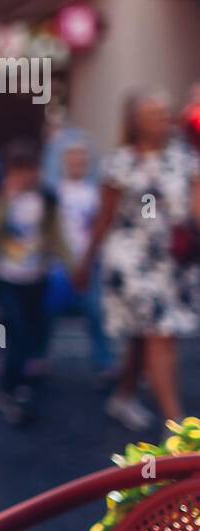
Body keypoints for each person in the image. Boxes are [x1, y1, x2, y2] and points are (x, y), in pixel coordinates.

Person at [75, 89, 200, 431]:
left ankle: (124, 395)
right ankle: (175, 424)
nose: (161, 120)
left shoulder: (186, 159)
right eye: (152, 114)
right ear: (135, 122)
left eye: (164, 113)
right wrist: (86, 262)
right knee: (160, 332)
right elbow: (105, 218)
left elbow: (196, 209)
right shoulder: (120, 163)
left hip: (173, 260)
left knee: (141, 335)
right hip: (132, 260)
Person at [0, 142, 70, 423]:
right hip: (5, 275)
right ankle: (10, 385)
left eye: (30, 170)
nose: (25, 177)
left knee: (27, 324)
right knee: (14, 326)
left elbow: (56, 235)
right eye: (18, 171)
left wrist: (72, 265)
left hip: (35, 275)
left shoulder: (46, 199)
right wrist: (6, 201)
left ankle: (14, 369)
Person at [51, 141, 116, 379]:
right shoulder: (54, 191)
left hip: (91, 262)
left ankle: (104, 361)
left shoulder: (95, 192)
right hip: (58, 264)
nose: (78, 162)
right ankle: (37, 357)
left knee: (96, 312)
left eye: (82, 158)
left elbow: (103, 224)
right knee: (47, 313)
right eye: (73, 157)